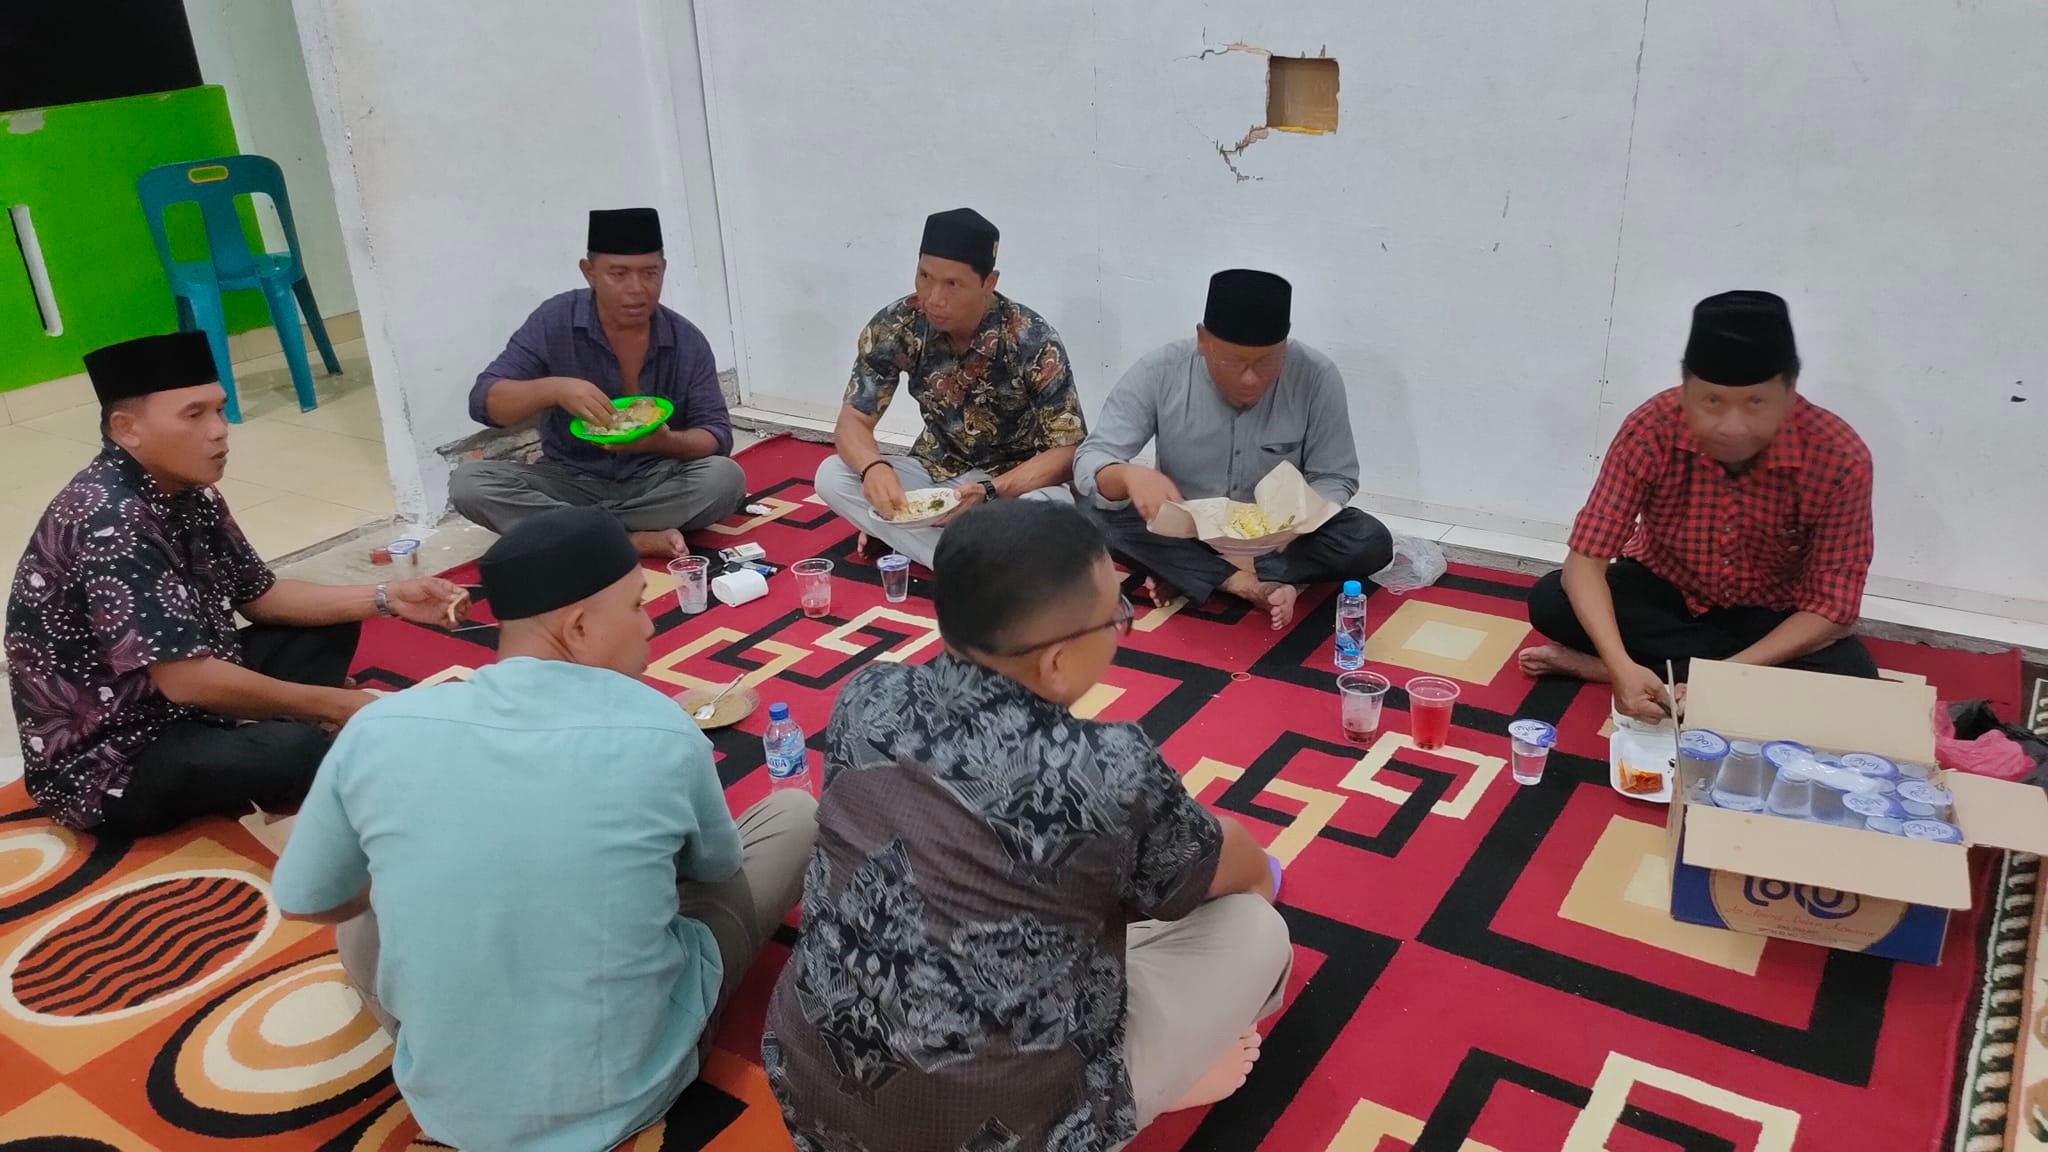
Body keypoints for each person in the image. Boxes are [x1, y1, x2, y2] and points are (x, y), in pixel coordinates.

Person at [272, 506, 816, 1152]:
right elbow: (716, 871)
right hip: (636, 1083)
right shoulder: (662, 730)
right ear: (579, 627)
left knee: (362, 912)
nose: (650, 624)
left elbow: (306, 897)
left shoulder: (379, 728)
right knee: (794, 815)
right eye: (637, 606)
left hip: (451, 1103)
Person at [763, 500, 1290, 1152]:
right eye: (1116, 617)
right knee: (1254, 928)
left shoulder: (866, 695)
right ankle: (1144, 1090)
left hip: (813, 1092)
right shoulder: (1107, 768)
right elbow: (1236, 868)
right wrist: (1249, 874)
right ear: (1057, 662)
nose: (1122, 629)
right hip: (1002, 1132)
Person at [3, 332, 465, 837]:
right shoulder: (109, 518)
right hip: (114, 755)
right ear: (126, 429)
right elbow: (188, 680)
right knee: (296, 750)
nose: (220, 431)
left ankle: (264, 731)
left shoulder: (188, 488)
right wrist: (336, 704)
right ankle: (283, 738)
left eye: (220, 410)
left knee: (329, 623)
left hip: (176, 698)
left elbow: (262, 597)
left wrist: (385, 598)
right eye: (194, 415)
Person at [1519, 290, 1879, 722]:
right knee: (1551, 600)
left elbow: (1833, 608)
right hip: (1664, 590)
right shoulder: (1652, 426)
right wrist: (1620, 665)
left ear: (1789, 393)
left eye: (1756, 404)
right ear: (1687, 391)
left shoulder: (1839, 457)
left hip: (1766, 613)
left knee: (1853, 676)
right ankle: (1647, 672)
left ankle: (1632, 671)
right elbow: (1585, 563)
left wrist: (1722, 677)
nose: (1732, 427)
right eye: (1711, 402)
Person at [1075, 269, 1392, 630]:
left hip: (1281, 539)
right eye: (1233, 361)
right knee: (1091, 516)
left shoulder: (1316, 376)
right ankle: (1245, 584)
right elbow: (1091, 459)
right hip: (1189, 528)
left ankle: (1196, 574)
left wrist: (1305, 517)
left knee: (1369, 539)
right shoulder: (1160, 371)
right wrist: (1129, 476)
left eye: (1266, 362)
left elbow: (1336, 475)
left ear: (1285, 347)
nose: (1249, 378)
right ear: (1202, 341)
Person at [450, 207, 747, 559]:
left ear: (663, 270)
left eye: (649, 273)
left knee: (725, 479)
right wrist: (554, 389)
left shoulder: (686, 340)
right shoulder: (555, 320)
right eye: (618, 274)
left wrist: (665, 442)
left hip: (656, 479)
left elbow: (716, 436)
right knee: (469, 485)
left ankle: (574, 531)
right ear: (589, 272)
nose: (636, 289)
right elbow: (484, 402)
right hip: (569, 479)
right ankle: (629, 539)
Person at [812, 207, 1087, 568]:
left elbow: (1068, 452)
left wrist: (991, 490)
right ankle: (970, 562)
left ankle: (918, 541)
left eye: (952, 284)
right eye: (924, 276)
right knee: (832, 476)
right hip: (936, 474)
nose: (933, 298)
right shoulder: (897, 325)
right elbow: (852, 423)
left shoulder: (1031, 338)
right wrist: (872, 468)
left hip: (1012, 484)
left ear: (988, 283)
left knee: (1053, 512)